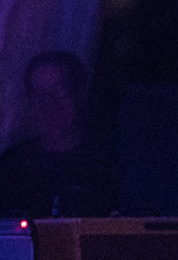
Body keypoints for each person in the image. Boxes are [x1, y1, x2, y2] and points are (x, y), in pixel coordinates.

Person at [0, 50, 116, 217]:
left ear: (80, 94)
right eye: (38, 95)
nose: (47, 105)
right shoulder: (11, 166)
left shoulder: (108, 165)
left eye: (59, 92)